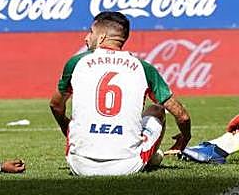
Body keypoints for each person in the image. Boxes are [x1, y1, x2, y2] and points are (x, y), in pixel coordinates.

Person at [49, 11, 192, 176]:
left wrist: (67, 130)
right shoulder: (143, 67)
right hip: (126, 166)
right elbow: (183, 117)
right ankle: (149, 157)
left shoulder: (76, 63)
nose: (86, 37)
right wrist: (185, 138)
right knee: (157, 111)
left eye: (90, 32)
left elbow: (55, 105)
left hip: (79, 165)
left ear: (101, 37)